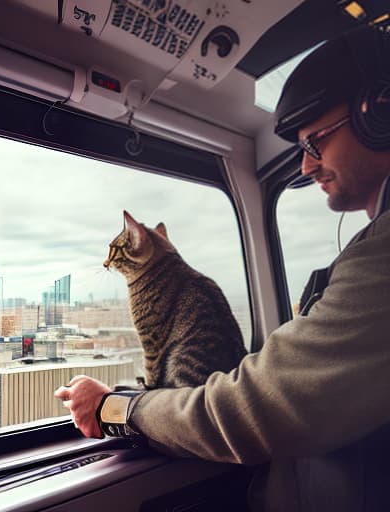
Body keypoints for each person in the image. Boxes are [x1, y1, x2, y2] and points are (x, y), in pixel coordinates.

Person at [55, 24, 390, 511]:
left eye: (315, 141)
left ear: (379, 112)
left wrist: (116, 408)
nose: (304, 166)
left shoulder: (381, 256)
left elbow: (256, 409)